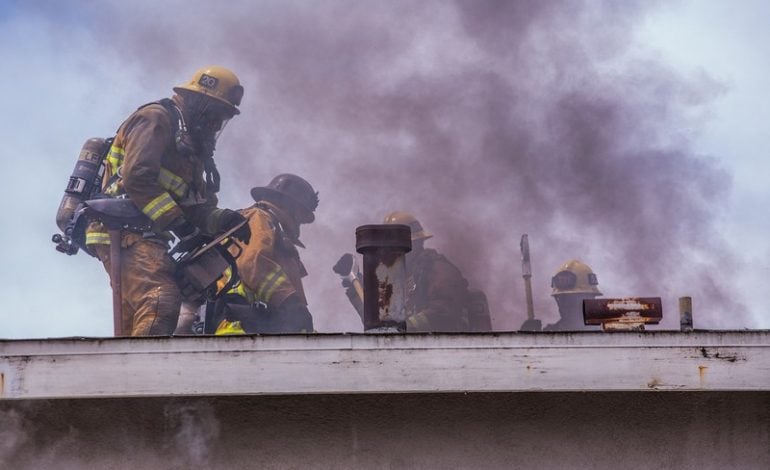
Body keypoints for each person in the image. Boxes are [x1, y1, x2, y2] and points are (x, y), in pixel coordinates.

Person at [85, 66, 251, 336]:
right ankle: (146, 374)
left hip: (146, 234)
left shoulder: (190, 150)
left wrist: (224, 219)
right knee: (160, 300)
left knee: (137, 318)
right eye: (215, 114)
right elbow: (137, 177)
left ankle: (125, 372)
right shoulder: (156, 119)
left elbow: (196, 207)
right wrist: (180, 225)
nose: (215, 124)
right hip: (120, 229)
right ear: (200, 101)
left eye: (223, 118)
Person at [210, 173, 319, 334]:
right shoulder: (259, 218)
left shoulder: (280, 238)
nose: (300, 222)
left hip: (260, 327)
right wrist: (289, 301)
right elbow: (253, 262)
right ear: (290, 205)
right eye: (301, 215)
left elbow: (295, 314)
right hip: (237, 326)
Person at [383, 211, 491, 332]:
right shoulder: (402, 278)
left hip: (449, 346)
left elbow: (444, 312)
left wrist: (405, 327)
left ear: (414, 244)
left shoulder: (438, 270)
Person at [542, 259, 602, 331]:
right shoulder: (551, 334)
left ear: (590, 298)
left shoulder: (608, 334)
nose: (566, 304)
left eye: (572, 299)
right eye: (562, 299)